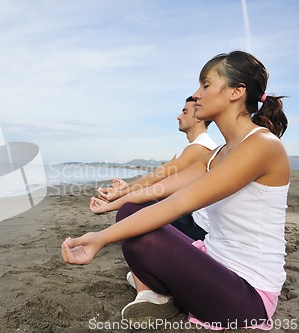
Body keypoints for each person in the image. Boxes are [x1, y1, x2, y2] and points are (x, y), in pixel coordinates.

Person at [61, 51, 289, 329]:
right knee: (131, 214)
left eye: (205, 85)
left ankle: (162, 292)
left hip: (248, 294)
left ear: (236, 91)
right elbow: (160, 188)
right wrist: (114, 203)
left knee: (140, 236)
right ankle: (164, 293)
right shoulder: (218, 153)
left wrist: (99, 238)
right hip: (215, 263)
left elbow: (178, 202)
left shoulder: (262, 145)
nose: (197, 95)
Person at [93, 97, 217, 241]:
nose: (178, 116)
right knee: (139, 203)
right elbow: (156, 175)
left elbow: (157, 179)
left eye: (184, 112)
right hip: (190, 215)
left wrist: (117, 197)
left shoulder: (200, 147)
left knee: (132, 208)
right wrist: (125, 188)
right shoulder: (190, 148)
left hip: (199, 227)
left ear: (199, 117)